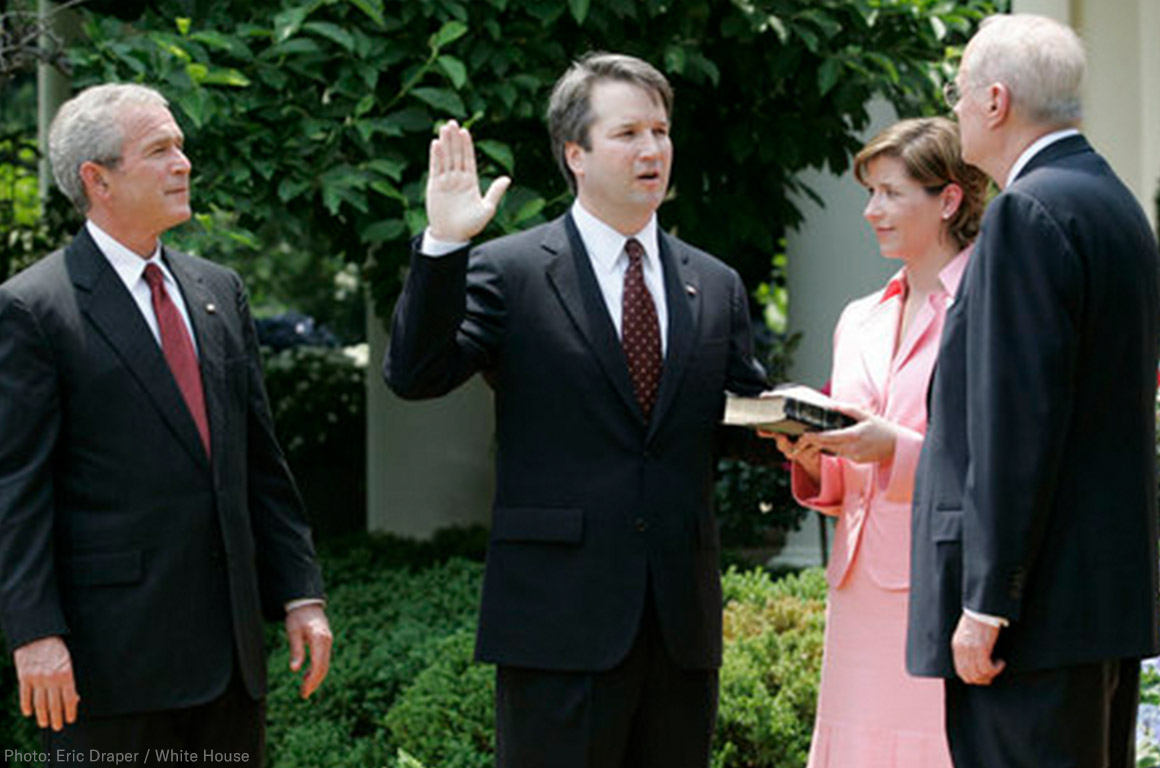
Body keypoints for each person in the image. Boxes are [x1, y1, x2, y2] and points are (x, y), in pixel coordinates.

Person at [384, 52, 774, 767]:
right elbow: (416, 374)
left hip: (679, 627)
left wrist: (811, 434)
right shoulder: (510, 270)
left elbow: (737, 418)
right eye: (628, 133)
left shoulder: (712, 283)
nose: (652, 149)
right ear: (577, 154)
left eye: (660, 130)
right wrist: (444, 245)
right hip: (557, 623)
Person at [0, 83, 332, 764]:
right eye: (159, 150)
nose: (184, 163)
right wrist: (33, 633)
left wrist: (300, 592)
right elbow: (16, 490)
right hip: (108, 665)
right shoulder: (34, 308)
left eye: (181, 145)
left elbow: (260, 463)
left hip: (229, 662)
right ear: (98, 180)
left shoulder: (218, 290)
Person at [906, 14, 1160, 768]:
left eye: (957, 95)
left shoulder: (1026, 211)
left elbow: (1016, 427)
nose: (952, 111)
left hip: (1034, 616)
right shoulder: (1114, 204)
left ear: (995, 100)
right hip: (1097, 604)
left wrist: (988, 601)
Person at [771, 117, 986, 768]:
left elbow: (1003, 459)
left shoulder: (991, 304)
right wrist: (813, 459)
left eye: (891, 193)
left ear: (948, 199)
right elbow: (849, 470)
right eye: (870, 192)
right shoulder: (859, 318)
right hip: (857, 588)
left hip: (945, 583)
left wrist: (897, 449)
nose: (872, 211)